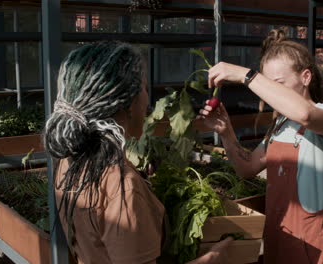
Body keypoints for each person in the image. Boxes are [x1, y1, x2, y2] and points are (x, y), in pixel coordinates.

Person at [43, 41, 231, 264]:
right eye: (143, 88)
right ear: (128, 104)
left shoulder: (69, 160)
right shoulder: (123, 188)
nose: (147, 99)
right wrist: (213, 258)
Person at [198, 28, 323, 263]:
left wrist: (245, 75)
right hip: (279, 236)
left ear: (306, 77)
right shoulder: (280, 125)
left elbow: (305, 114)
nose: (268, 94)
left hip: (313, 245)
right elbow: (246, 168)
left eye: (277, 84)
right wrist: (226, 132)